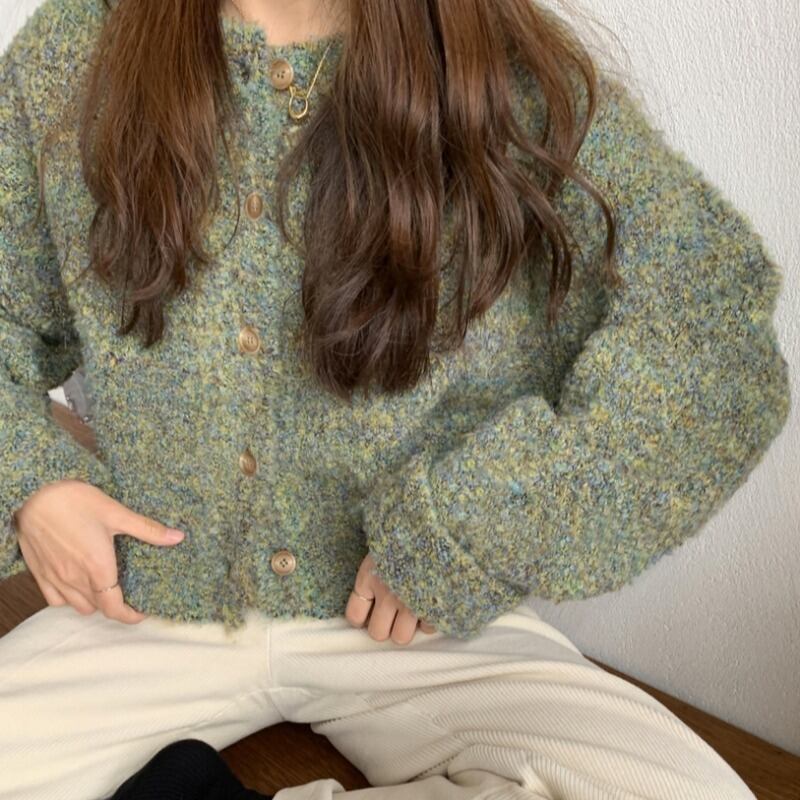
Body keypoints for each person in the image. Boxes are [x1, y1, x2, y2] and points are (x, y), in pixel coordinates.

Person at [0, 0, 791, 798]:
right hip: (147, 600)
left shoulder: (500, 70)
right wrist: (31, 482)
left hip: (415, 624)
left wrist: (475, 531)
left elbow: (712, 330)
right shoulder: (77, 51)